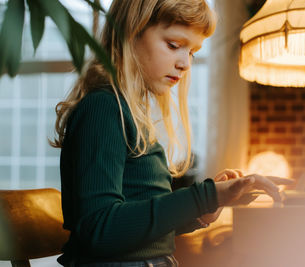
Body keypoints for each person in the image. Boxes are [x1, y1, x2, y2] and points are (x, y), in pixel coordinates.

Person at [51, 0, 292, 266]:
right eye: (174, 45)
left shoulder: (129, 113)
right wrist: (205, 196)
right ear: (131, 33)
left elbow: (138, 225)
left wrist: (202, 212)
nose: (185, 63)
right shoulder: (104, 108)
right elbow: (99, 229)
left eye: (192, 52)